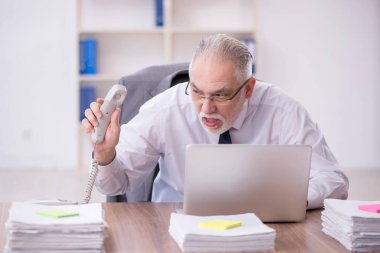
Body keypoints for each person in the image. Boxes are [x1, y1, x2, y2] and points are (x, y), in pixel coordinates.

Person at [82, 34, 348, 209]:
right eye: (197, 91)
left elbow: (334, 181)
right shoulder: (167, 107)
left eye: (221, 95)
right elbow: (116, 184)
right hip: (173, 221)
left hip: (260, 223)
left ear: (248, 88)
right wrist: (105, 155)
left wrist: (280, 199)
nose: (206, 108)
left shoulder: (282, 110)